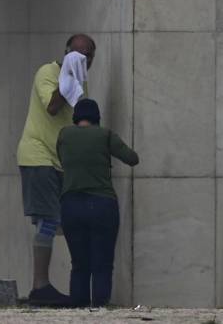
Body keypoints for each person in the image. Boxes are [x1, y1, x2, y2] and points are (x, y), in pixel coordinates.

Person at [15, 34, 96, 307]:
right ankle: (40, 286)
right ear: (66, 52)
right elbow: (52, 106)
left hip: (60, 160)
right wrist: (67, 75)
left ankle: (68, 285)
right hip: (38, 157)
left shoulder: (79, 80)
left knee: (66, 221)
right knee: (48, 220)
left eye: (88, 57)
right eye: (77, 54)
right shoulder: (48, 72)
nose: (83, 60)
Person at [57, 98, 138, 307]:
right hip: (102, 205)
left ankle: (78, 308)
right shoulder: (105, 135)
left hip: (71, 205)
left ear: (76, 118)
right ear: (96, 118)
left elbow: (62, 160)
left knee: (79, 263)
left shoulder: (64, 135)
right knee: (102, 263)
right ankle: (100, 307)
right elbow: (131, 158)